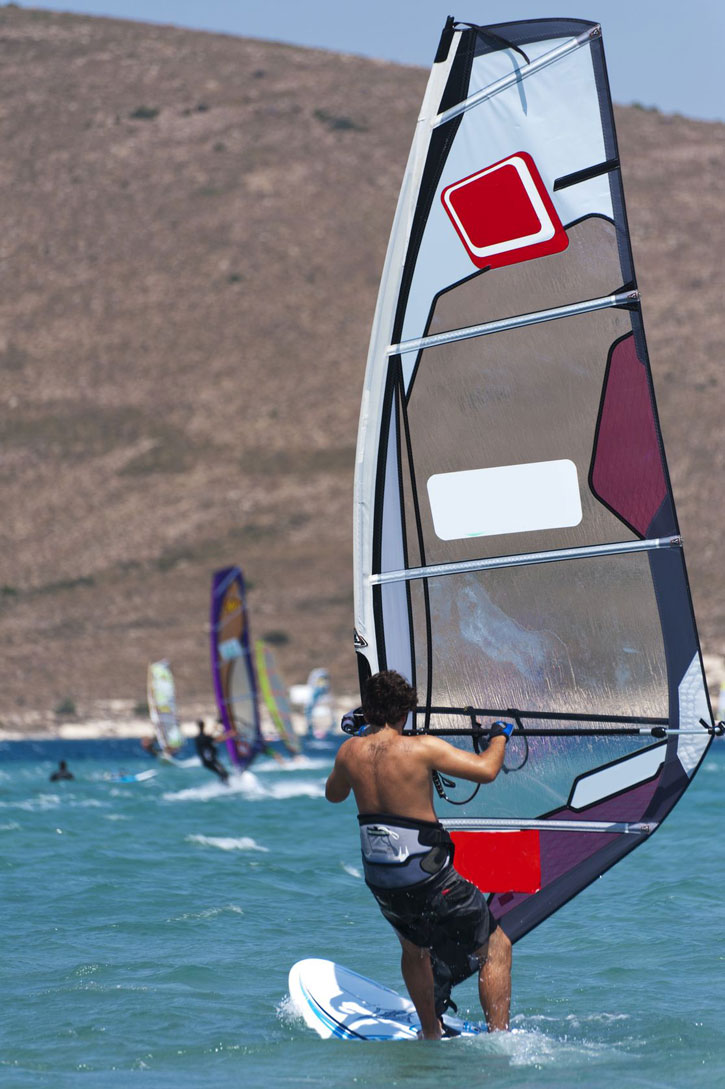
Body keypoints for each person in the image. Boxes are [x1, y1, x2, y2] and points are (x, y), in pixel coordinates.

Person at [325, 669, 513, 1040]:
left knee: (414, 949)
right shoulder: (421, 747)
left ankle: (430, 1032)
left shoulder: (349, 752)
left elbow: (333, 794)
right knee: (495, 946)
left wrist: (360, 737)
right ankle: (500, 1040)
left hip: (383, 880)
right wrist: (498, 737)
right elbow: (487, 770)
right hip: (428, 875)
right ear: (405, 712)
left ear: (369, 710)